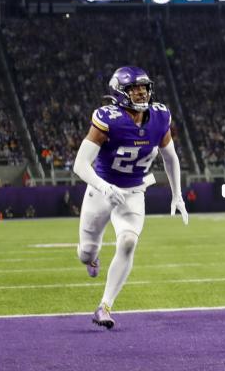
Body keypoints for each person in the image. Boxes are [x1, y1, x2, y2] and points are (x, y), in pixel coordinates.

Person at [71, 67, 188, 329]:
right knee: (86, 251)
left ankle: (104, 307)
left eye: (144, 87)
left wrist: (177, 195)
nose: (141, 92)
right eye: (134, 88)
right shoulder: (108, 119)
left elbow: (170, 157)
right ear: (119, 92)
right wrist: (102, 186)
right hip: (101, 190)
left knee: (127, 243)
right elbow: (80, 164)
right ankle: (90, 258)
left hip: (134, 191)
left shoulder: (159, 116)